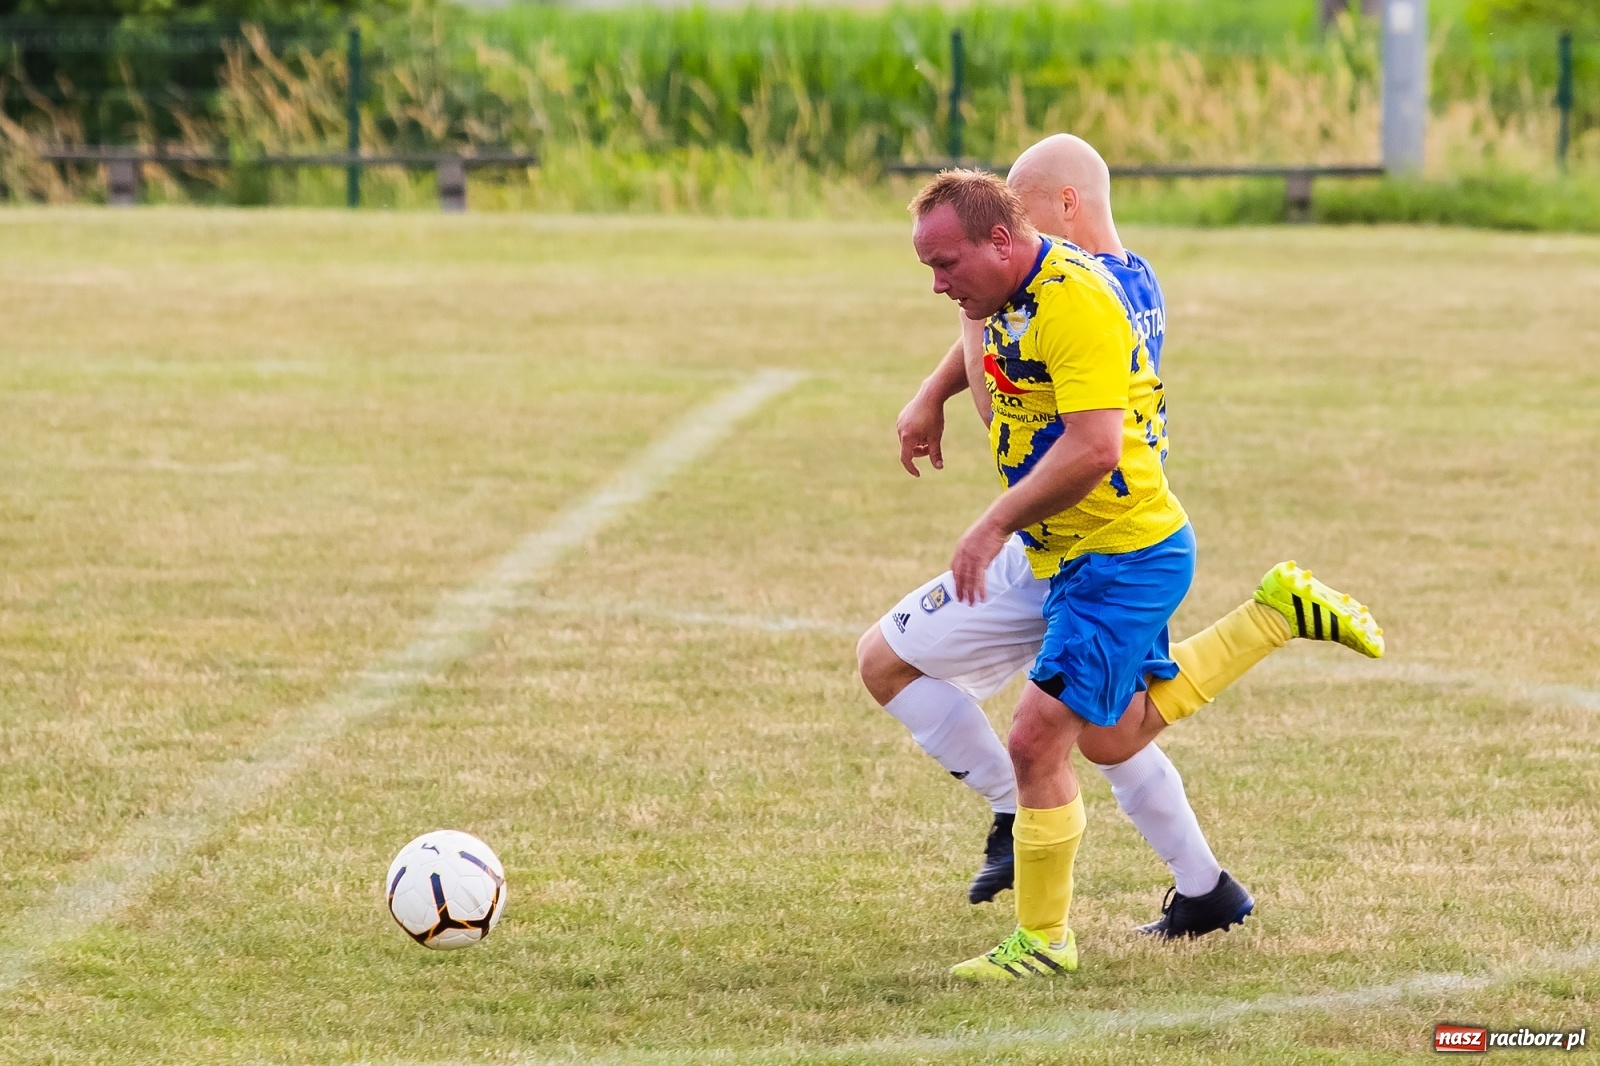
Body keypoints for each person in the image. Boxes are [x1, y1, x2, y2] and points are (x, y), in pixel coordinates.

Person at [860, 136, 1384, 940]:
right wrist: (936, 382)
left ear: (1059, 209)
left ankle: (1038, 867)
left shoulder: (1077, 293)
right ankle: (1201, 885)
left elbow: (1010, 410)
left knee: (1073, 735)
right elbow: (1004, 329)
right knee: (1108, 732)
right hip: (1057, 541)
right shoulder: (1107, 279)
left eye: (1019, 205)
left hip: (1101, 543)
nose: (1011, 221)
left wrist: (963, 367)